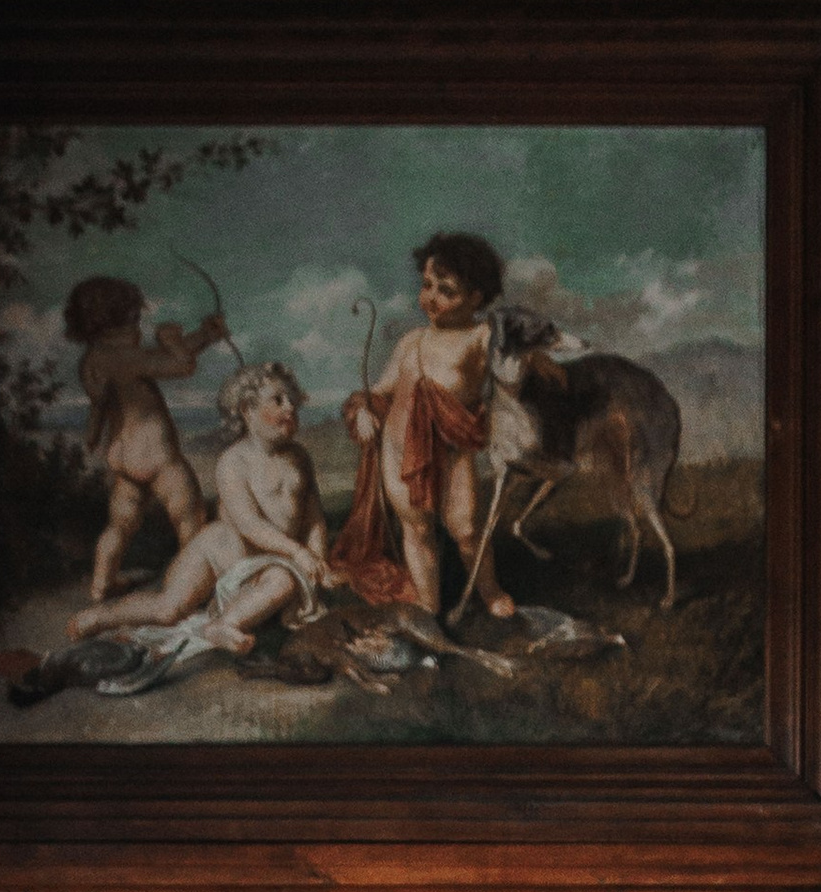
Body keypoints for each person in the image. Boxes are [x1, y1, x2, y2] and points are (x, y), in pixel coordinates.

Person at [67, 359, 333, 650]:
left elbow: (314, 519)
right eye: (278, 400)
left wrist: (318, 562)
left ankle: (224, 624)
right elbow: (248, 523)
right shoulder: (232, 462)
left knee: (284, 579)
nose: (290, 407)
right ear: (247, 411)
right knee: (168, 608)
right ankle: (101, 616)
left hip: (272, 563)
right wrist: (297, 551)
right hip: (224, 550)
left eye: (292, 400)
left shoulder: (301, 460)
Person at [331, 229, 516, 618]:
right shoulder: (411, 341)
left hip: (452, 454)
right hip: (400, 456)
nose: (430, 297)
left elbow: (511, 372)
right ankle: (428, 607)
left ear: (476, 297)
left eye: (446, 290)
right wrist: (363, 410)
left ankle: (491, 590)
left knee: (465, 530)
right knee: (417, 532)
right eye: (427, 285)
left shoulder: (482, 336)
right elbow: (379, 391)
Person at [61, 274, 233, 613]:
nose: (139, 329)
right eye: (135, 321)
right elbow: (181, 365)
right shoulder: (127, 357)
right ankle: (196, 584)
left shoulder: (95, 359)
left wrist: (205, 336)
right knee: (190, 517)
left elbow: (101, 403)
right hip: (157, 458)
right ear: (118, 322)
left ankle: (102, 583)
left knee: (120, 524)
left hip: (123, 456)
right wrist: (170, 339)